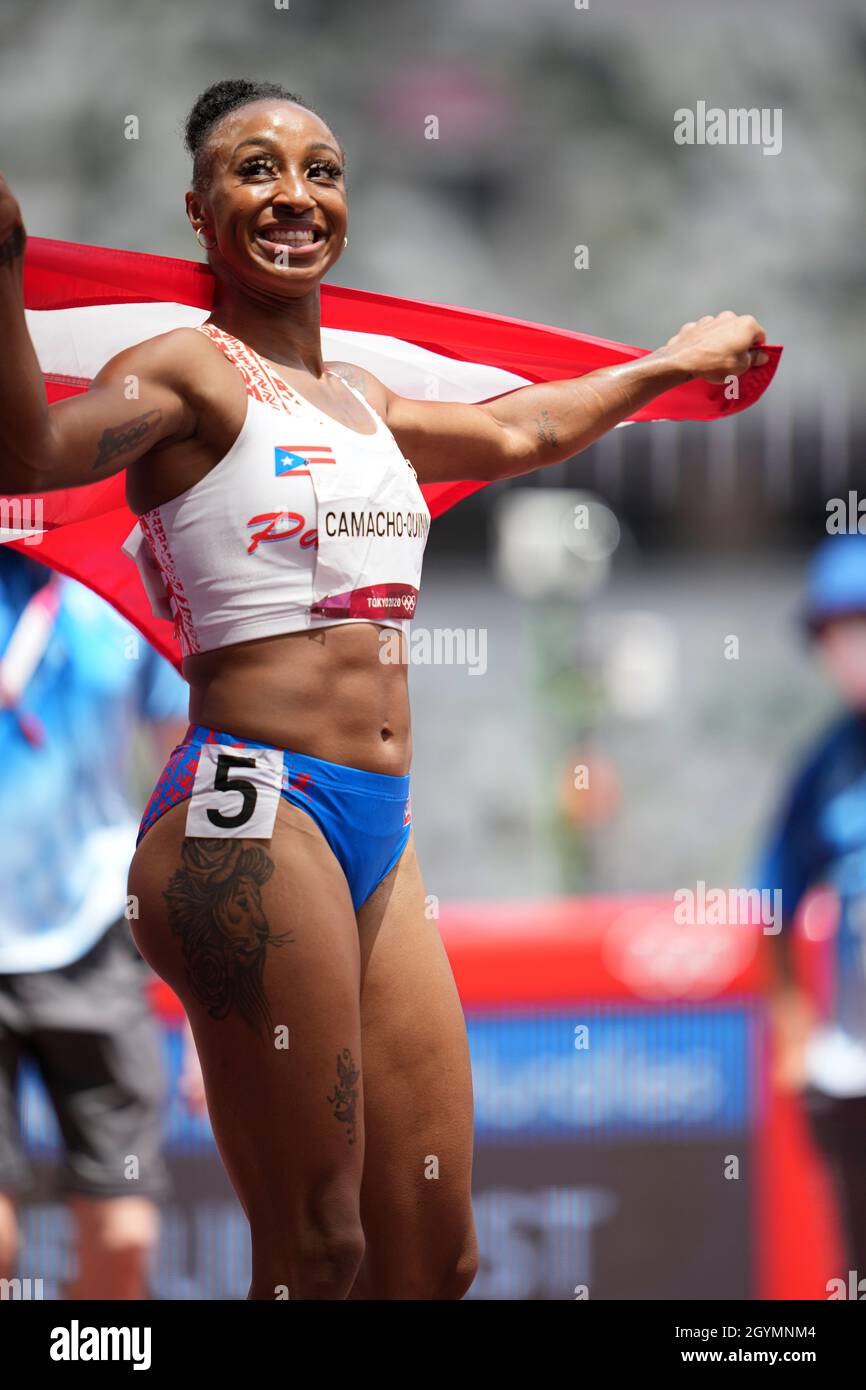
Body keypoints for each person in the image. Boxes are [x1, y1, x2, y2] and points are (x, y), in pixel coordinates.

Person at [0, 76, 770, 1301]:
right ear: (199, 209)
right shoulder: (189, 373)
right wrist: (3, 267)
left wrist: (668, 363)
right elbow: (29, 456)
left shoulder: (362, 400)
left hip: (376, 828)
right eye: (255, 170)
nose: (292, 194)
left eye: (319, 168)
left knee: (430, 1259)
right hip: (246, 816)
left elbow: (523, 434)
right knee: (315, 1253)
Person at [0, 546, 190, 1299]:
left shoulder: (119, 586)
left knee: (123, 1240)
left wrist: (222, 1002)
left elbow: (190, 785)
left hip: (96, 940)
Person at [754, 533, 866, 1280]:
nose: (851, 650)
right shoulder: (827, 763)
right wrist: (795, 1033)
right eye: (836, 634)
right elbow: (772, 899)